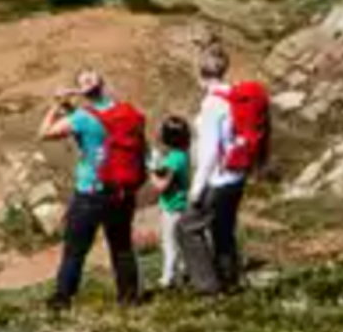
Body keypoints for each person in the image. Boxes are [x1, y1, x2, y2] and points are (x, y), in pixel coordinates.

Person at [39, 67, 145, 310]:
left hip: (91, 192)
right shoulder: (125, 112)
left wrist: (56, 105)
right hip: (121, 191)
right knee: (121, 247)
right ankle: (129, 298)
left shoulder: (81, 119)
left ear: (82, 91)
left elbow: (44, 133)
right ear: (103, 85)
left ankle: (63, 298)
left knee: (75, 250)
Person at [179, 42, 259, 294]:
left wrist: (195, 189)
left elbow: (210, 151)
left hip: (218, 180)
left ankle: (208, 286)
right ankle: (230, 281)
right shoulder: (234, 94)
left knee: (186, 228)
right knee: (222, 229)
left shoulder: (213, 105)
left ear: (199, 73)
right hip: (237, 175)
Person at [149, 115, 192, 290]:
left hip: (173, 207)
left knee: (169, 243)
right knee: (180, 241)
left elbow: (161, 186)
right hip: (181, 204)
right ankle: (184, 271)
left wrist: (151, 168)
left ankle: (167, 279)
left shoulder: (173, 159)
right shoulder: (182, 155)